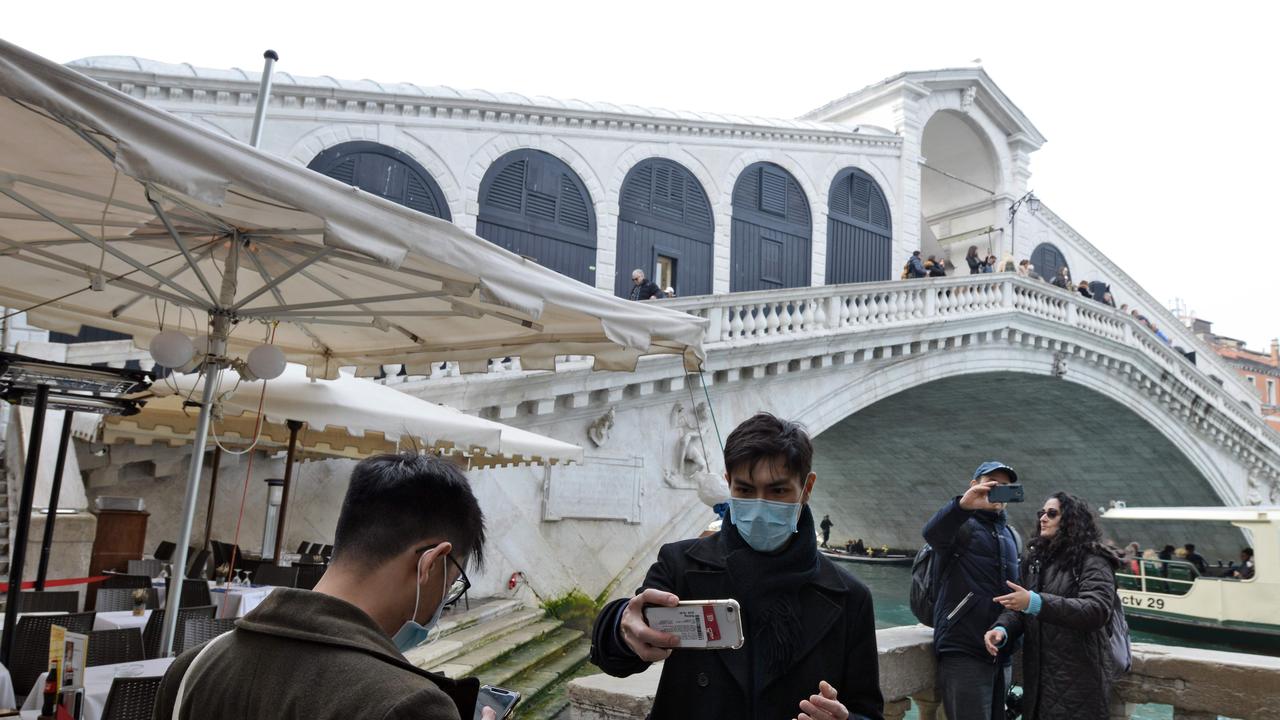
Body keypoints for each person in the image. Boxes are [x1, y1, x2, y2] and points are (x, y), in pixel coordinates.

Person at [153, 453, 495, 720]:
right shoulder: (410, 705)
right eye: (452, 583)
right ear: (431, 563)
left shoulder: (193, 666)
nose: (442, 604)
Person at [590, 413, 884, 720]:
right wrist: (621, 627)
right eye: (744, 490)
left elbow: (868, 712)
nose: (759, 506)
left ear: (806, 488)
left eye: (778, 491)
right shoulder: (681, 565)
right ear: (728, 483)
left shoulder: (850, 597)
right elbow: (619, 656)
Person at [984, 493, 1122, 720]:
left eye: (1052, 513)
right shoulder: (1036, 560)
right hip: (1038, 682)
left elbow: (1096, 610)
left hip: (1078, 683)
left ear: (1072, 519)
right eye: (1041, 513)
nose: (1043, 519)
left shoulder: (1093, 559)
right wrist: (1001, 629)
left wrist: (1036, 602)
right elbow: (1020, 607)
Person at [921, 461, 1021, 720]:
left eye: (1005, 487)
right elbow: (932, 533)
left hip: (1002, 652)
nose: (998, 490)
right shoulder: (959, 526)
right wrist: (963, 505)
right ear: (974, 485)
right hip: (964, 648)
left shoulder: (1012, 536)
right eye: (992, 483)